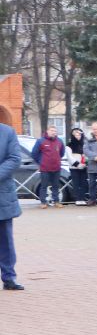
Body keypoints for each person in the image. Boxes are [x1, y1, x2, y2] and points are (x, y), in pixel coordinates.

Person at [0, 119, 23, 290]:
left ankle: (9, 277)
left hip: (2, 194)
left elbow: (15, 158)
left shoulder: (7, 132)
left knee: (5, 239)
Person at [31, 126, 65, 207]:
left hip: (56, 167)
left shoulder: (59, 141)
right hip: (45, 168)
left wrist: (57, 159)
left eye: (55, 131)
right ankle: (43, 202)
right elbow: (34, 153)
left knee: (56, 185)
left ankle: (56, 201)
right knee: (44, 185)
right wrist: (40, 162)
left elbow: (62, 153)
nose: (53, 132)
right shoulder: (41, 141)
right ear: (47, 131)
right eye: (52, 130)